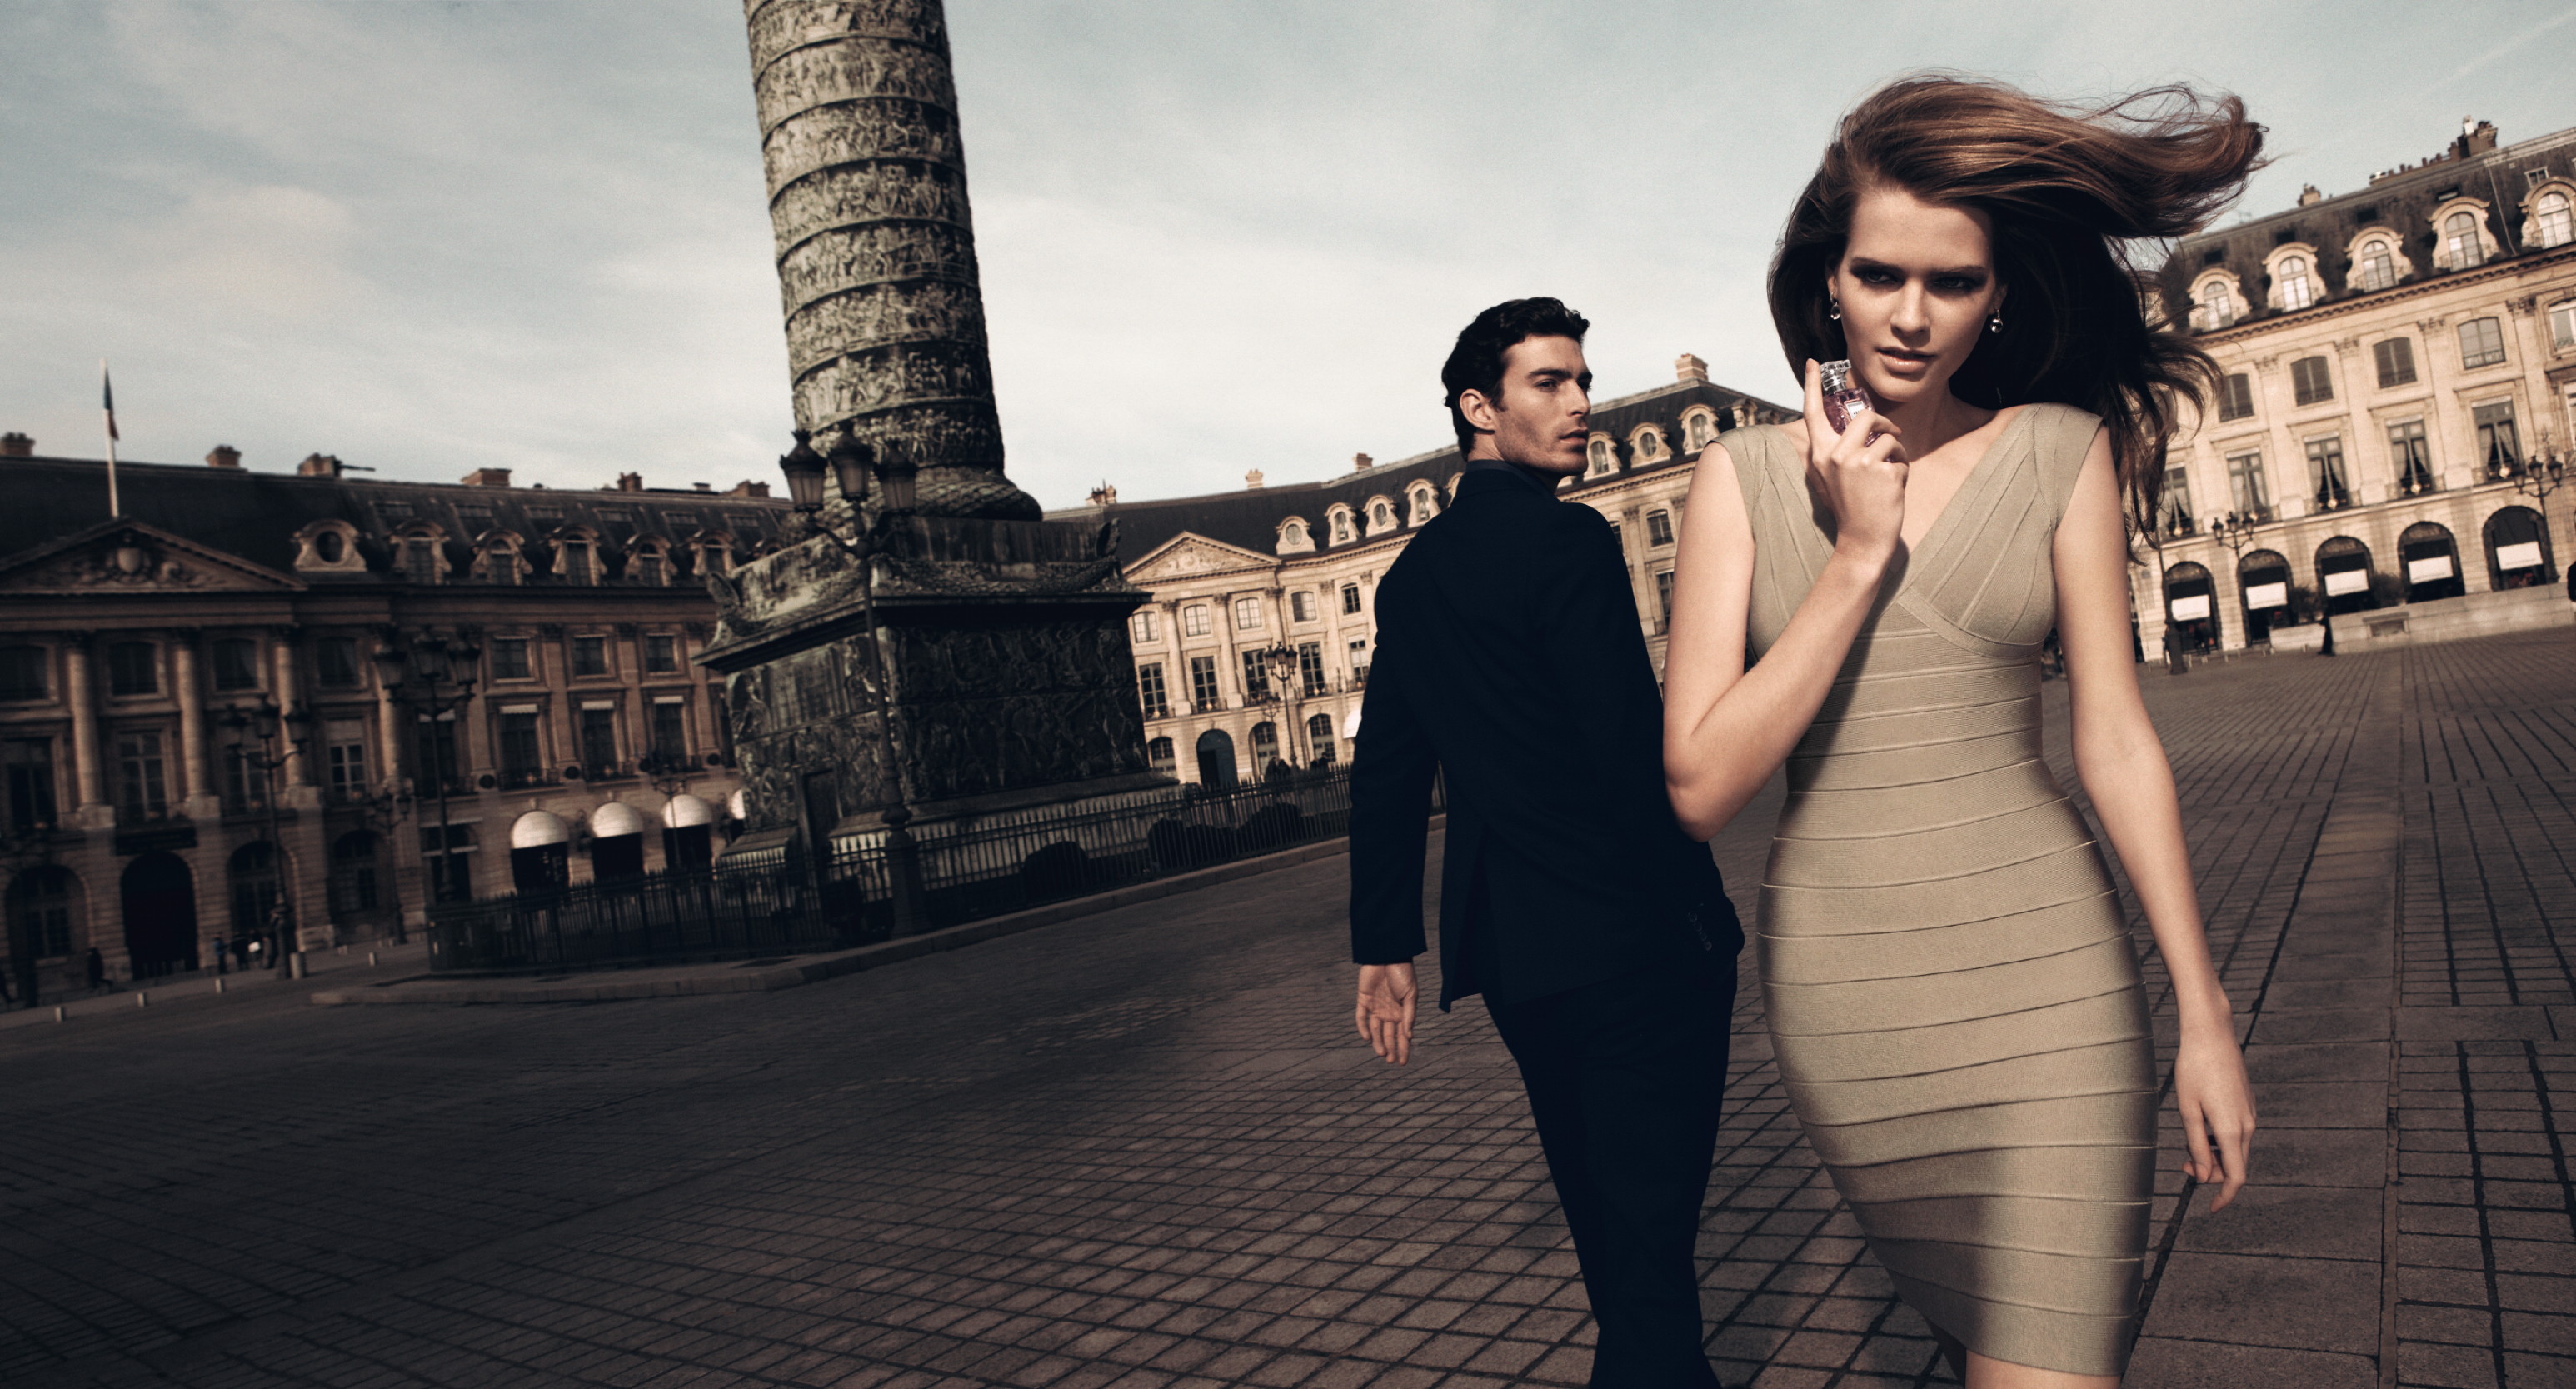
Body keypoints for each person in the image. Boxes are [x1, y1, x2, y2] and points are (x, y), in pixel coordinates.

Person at [1660, 78, 2261, 1387]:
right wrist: (1854, 556)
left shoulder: (2061, 451)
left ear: (1998, 297)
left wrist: (2205, 1012)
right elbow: (1698, 787)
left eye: (1954, 282)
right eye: (1880, 275)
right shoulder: (1739, 482)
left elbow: (2116, 740)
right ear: (1828, 283)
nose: (1912, 315)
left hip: (2054, 982)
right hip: (1851, 999)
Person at [1350, 297, 1744, 1389]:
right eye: (1550, 383)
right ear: (1480, 409)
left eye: (1582, 381)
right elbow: (1623, 750)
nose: (1581, 405)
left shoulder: (1413, 578)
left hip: (1520, 956)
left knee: (1610, 1220)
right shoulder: (1570, 539)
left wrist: (1383, 944)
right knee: (1651, 1232)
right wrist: (1702, 917)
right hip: (1631, 938)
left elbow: (1388, 769)